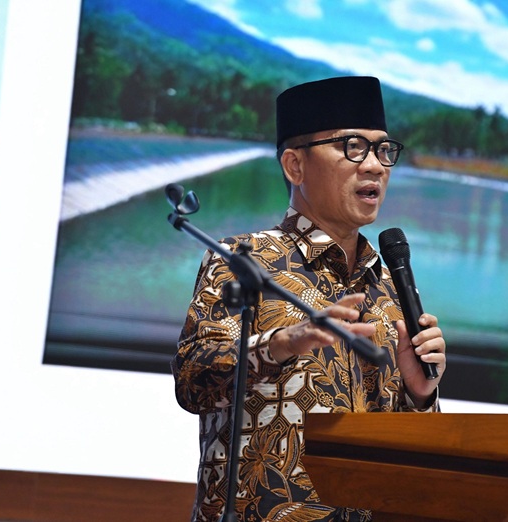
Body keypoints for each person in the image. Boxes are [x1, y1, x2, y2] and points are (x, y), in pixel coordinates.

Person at [172, 76, 447, 522]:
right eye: (353, 147)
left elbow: (418, 461)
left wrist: (420, 395)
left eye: (383, 150)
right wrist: (282, 343)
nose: (375, 166)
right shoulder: (244, 261)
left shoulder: (389, 287)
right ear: (294, 166)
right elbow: (192, 381)